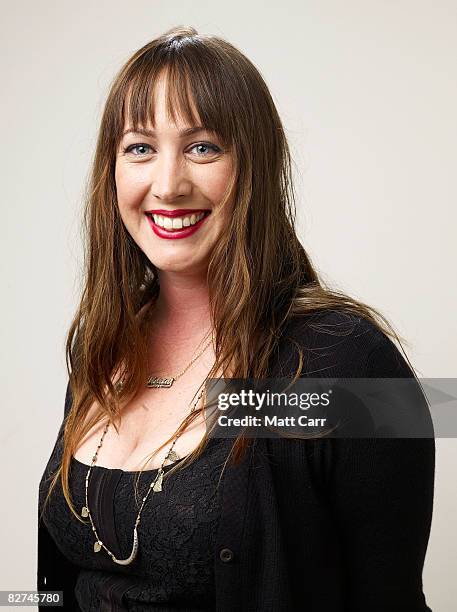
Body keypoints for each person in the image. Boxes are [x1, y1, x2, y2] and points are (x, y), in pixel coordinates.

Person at [37, 25, 435, 611]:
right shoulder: (101, 347)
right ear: (111, 172)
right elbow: (51, 591)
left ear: (254, 165)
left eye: (203, 147)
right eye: (140, 148)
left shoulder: (346, 362)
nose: (168, 186)